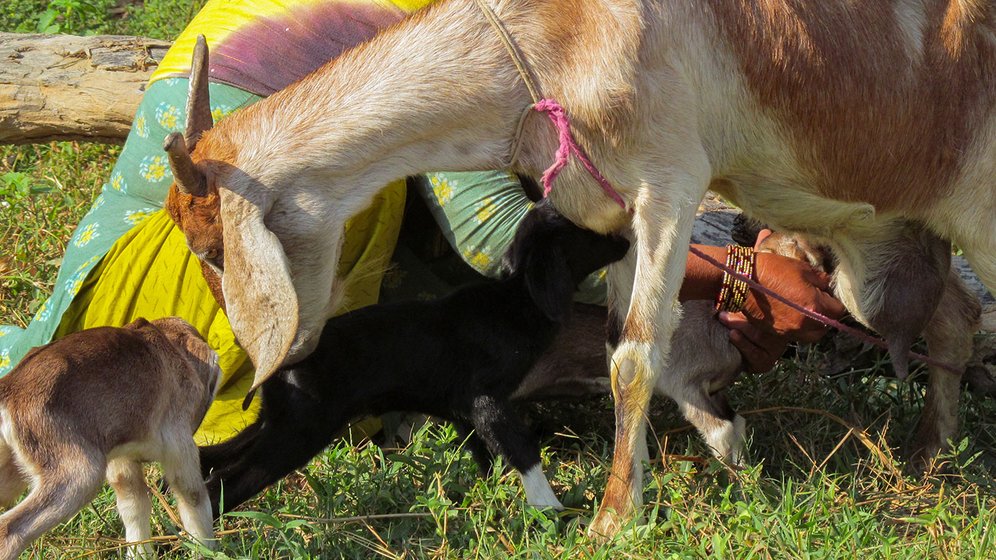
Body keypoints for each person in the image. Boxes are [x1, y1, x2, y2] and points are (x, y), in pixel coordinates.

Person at [0, 0, 843, 445]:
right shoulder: (455, 48)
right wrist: (734, 271)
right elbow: (495, 237)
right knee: (194, 365)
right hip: (273, 131)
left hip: (267, 107)